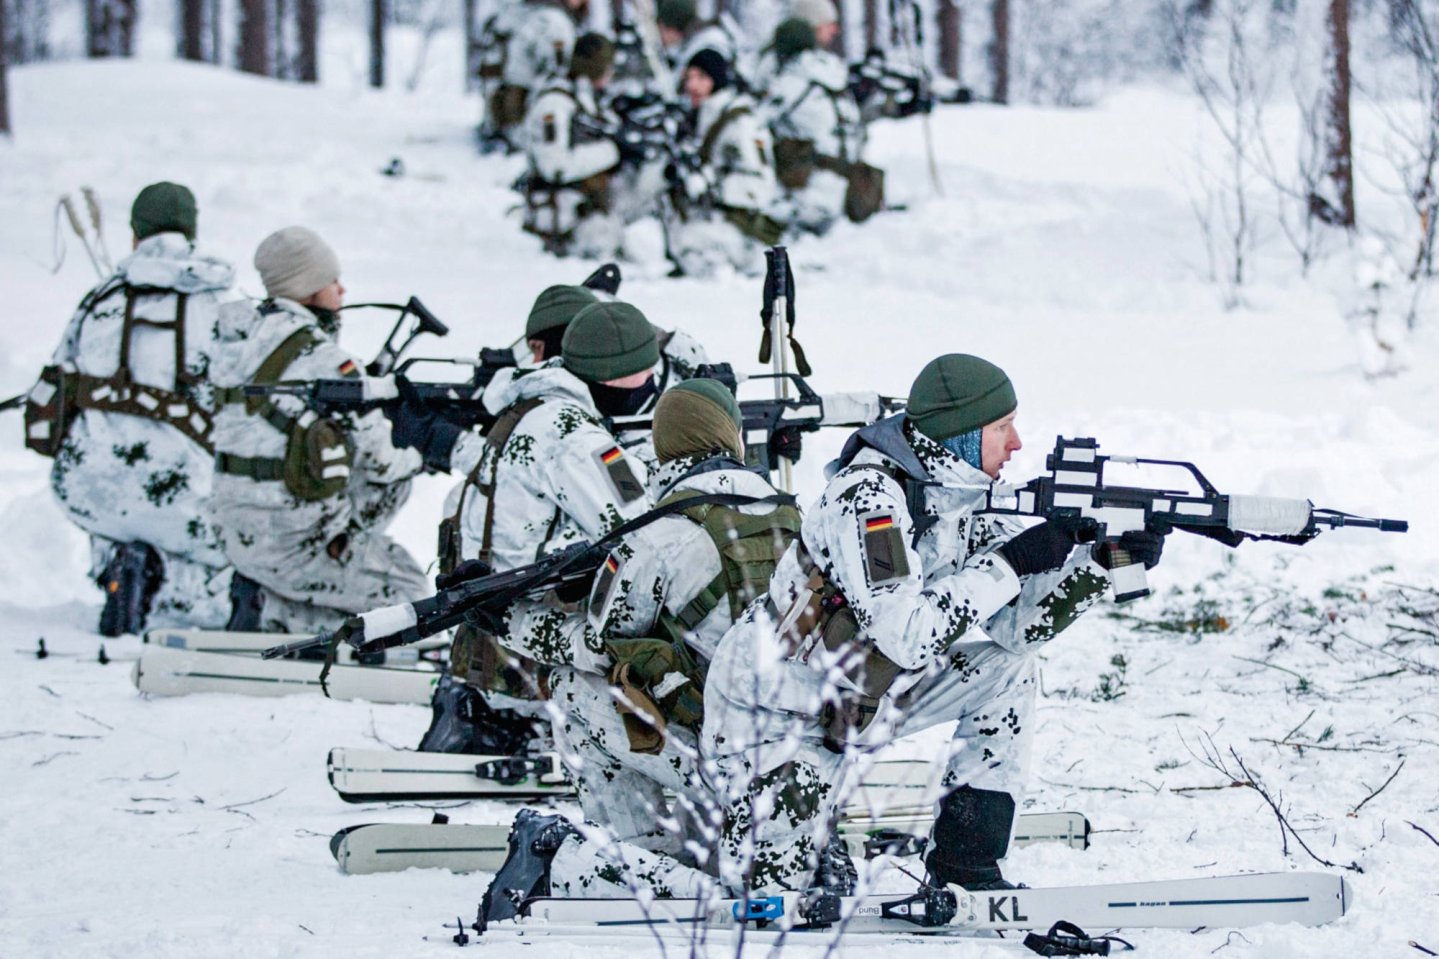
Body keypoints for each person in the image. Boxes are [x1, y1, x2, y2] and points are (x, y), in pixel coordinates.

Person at [479, 354, 1169, 911]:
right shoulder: (867, 499)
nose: (1016, 445)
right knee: (768, 904)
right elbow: (906, 633)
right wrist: (1012, 561)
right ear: (960, 432)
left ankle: (966, 862)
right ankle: (561, 855)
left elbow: (1012, 630)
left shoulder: (958, 499)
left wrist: (1101, 566)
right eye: (1003, 427)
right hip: (773, 721)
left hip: (858, 697)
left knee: (1006, 672)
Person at [478, 380, 800, 911]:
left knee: (575, 683)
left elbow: (599, 644)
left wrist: (508, 621)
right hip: (801, 753)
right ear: (734, 437)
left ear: (662, 446)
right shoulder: (798, 517)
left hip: (720, 761)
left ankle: (641, 853)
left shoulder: (657, 535)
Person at [423, 301, 659, 754]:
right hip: (528, 666)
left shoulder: (531, 408)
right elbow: (642, 525)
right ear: (612, 374)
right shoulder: (574, 437)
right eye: (643, 372)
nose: (650, 383)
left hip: (491, 646)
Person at [34, 182, 241, 636]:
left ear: (135, 234)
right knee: (220, 523)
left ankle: (120, 569)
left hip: (88, 487)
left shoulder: (99, 300)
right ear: (192, 231)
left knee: (120, 502)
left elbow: (52, 389)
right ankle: (186, 595)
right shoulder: (222, 305)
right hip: (184, 497)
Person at [207, 227, 429, 633]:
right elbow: (381, 462)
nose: (342, 290)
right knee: (410, 591)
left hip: (232, 535)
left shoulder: (233, 345)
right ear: (307, 287)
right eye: (332, 280)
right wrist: (424, 452)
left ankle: (269, 597)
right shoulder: (327, 362)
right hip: (293, 546)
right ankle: (292, 615)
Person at [667, 50, 784, 277]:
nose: (692, 85)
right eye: (688, 78)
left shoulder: (741, 123)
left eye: (701, 78)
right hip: (710, 219)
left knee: (685, 241)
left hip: (742, 229)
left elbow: (761, 184)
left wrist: (712, 185)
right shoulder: (700, 116)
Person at [763, 18, 878, 232]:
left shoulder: (791, 81)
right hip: (852, 190)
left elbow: (757, 120)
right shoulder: (836, 74)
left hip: (809, 193)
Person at [521, 33, 625, 257]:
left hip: (584, 207)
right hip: (560, 214)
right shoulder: (555, 104)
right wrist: (612, 151)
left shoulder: (584, 96)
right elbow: (555, 166)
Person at [483, 0, 591, 154]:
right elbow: (558, 69)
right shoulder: (555, 21)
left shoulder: (528, 11)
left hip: (510, 95)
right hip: (527, 101)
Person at [751, 0, 841, 93]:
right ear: (813, 25)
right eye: (829, 24)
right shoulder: (785, 63)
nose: (835, 30)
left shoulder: (812, 60)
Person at [656, 0, 740, 95]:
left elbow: (672, 88)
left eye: (662, 29)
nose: (660, 36)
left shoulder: (704, 45)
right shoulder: (693, 43)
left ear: (673, 29)